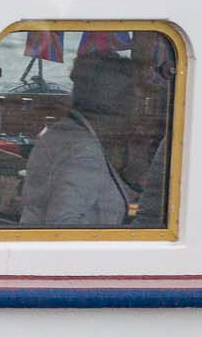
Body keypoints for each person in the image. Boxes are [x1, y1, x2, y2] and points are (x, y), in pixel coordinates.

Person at [17, 51, 139, 228]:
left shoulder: (60, 132)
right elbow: (62, 224)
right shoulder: (84, 150)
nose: (134, 104)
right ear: (112, 100)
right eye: (129, 95)